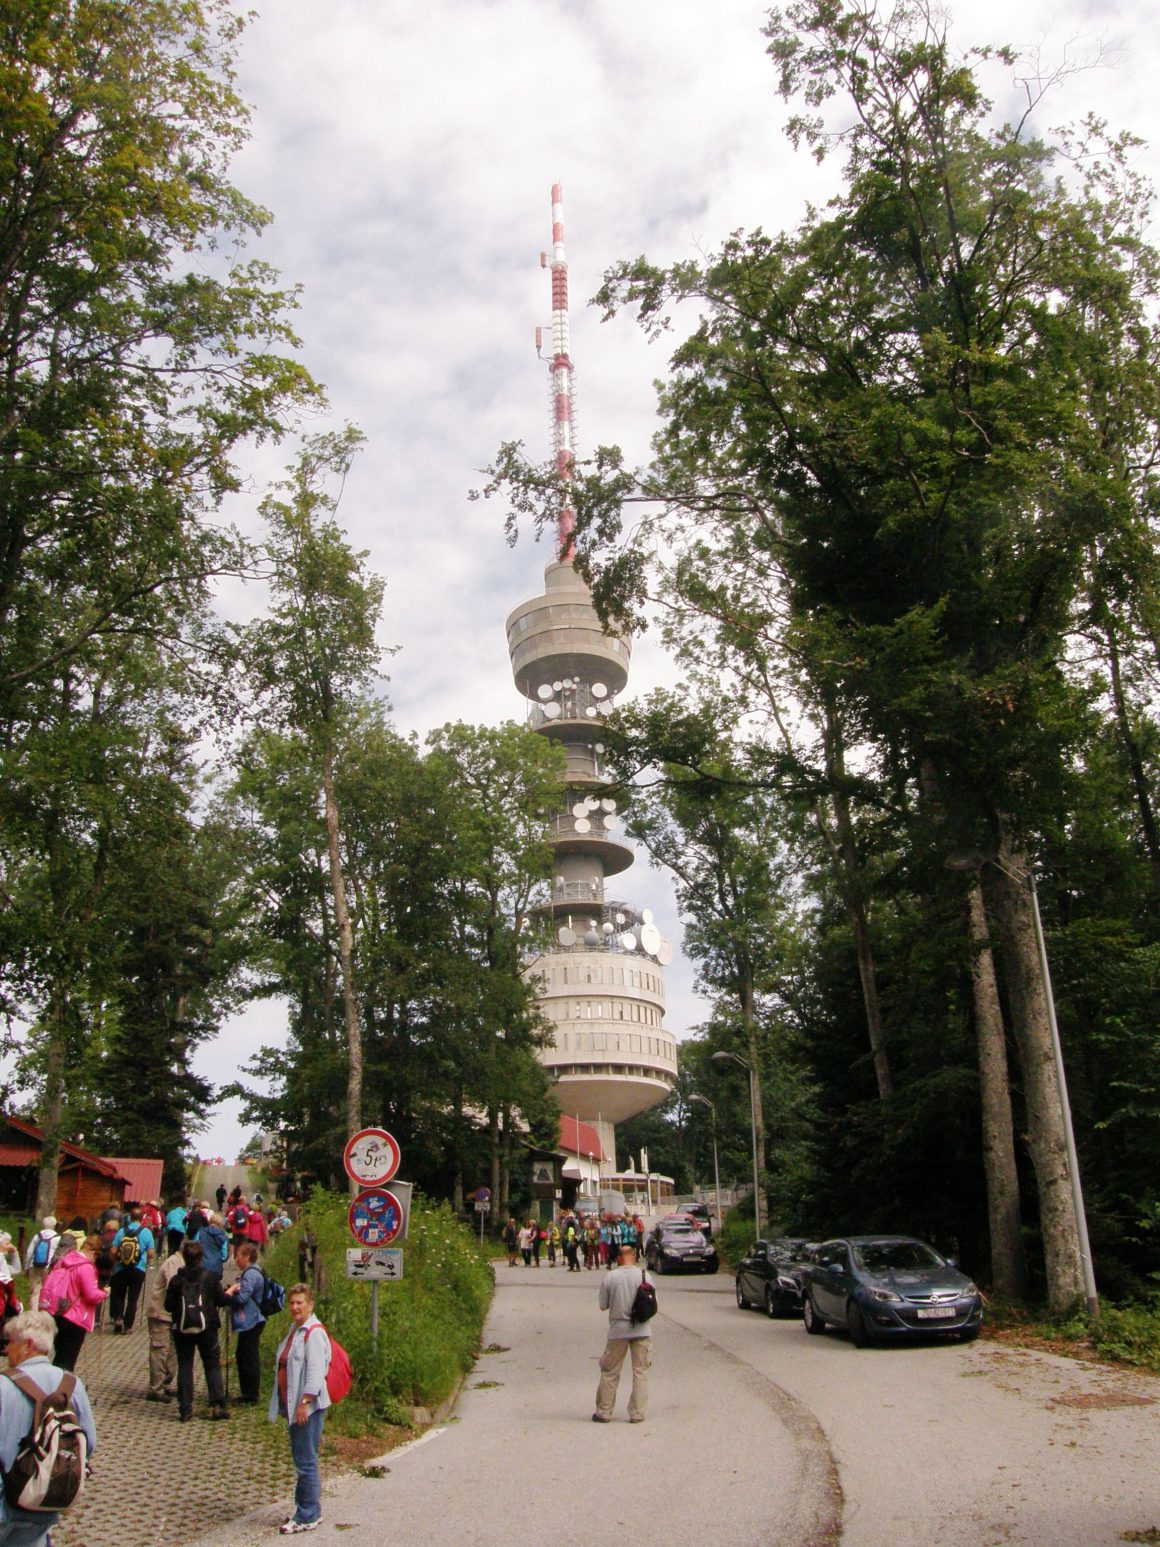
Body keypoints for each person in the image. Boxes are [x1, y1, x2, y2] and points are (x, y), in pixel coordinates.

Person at [0, 1309, 97, 1546]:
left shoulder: (3, 1386)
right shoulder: (71, 1384)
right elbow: (89, 1442)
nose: (5, 1350)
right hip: (45, 1499)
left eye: (9, 1343)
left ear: (27, 1345)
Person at [269, 1283, 332, 1535]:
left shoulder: (313, 1333)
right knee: (303, 1459)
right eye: (292, 1302)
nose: (295, 1307)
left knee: (306, 1461)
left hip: (307, 1407)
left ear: (310, 1305)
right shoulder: (295, 1330)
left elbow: (316, 1373)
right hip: (294, 1404)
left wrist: (304, 1403)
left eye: (300, 1303)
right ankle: (306, 1508)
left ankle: (307, 1514)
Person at [164, 1239, 230, 1422]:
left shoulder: (176, 1280)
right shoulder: (210, 1277)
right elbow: (221, 1300)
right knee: (212, 1365)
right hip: (207, 1327)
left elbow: (168, 1306)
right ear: (201, 1257)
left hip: (182, 1328)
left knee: (185, 1366)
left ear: (184, 1257)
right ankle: (217, 1405)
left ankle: (185, 1408)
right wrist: (229, 1294)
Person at [592, 1241, 652, 1424]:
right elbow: (653, 1303)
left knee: (610, 1370)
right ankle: (637, 1413)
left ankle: (604, 1411)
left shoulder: (611, 1277)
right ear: (634, 1257)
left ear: (619, 1258)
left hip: (618, 1330)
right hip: (642, 1329)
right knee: (640, 1371)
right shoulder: (645, 1276)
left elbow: (603, 1305)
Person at [37, 1232, 106, 1372]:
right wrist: (104, 1293)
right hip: (75, 1317)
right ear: (92, 1252)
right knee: (67, 1361)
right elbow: (91, 1295)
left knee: (60, 1354)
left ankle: (54, 1383)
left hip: (56, 1311)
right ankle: (59, 1388)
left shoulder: (64, 1260)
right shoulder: (85, 1267)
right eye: (96, 1256)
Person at [144, 1242, 183, 1403]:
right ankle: (156, 1388)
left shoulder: (181, 1263)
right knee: (160, 1350)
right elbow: (173, 1286)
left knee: (172, 1351)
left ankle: (166, 1383)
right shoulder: (173, 1262)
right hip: (160, 1314)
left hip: (172, 1315)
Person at [229, 1242, 266, 1404]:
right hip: (252, 1319)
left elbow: (243, 1297)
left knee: (247, 1356)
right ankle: (249, 1392)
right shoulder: (254, 1271)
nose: (236, 1259)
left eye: (238, 1256)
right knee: (244, 1355)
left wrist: (230, 1295)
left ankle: (250, 1394)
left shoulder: (251, 1274)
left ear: (247, 1257)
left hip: (252, 1320)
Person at [109, 1207, 154, 1333]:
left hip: (120, 1268)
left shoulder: (122, 1231)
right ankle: (128, 1326)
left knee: (119, 1295)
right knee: (133, 1298)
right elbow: (150, 1253)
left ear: (130, 1218)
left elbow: (113, 1250)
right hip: (138, 1269)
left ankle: (118, 1318)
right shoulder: (146, 1232)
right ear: (142, 1219)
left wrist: (115, 1261)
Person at [22, 1217, 59, 1301]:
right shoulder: (57, 1238)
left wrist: (27, 1267)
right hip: (48, 1267)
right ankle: (44, 1309)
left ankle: (34, 1312)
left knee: (34, 1291)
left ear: (43, 1224)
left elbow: (29, 1253)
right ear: (55, 1225)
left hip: (35, 1265)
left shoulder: (37, 1236)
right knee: (47, 1290)